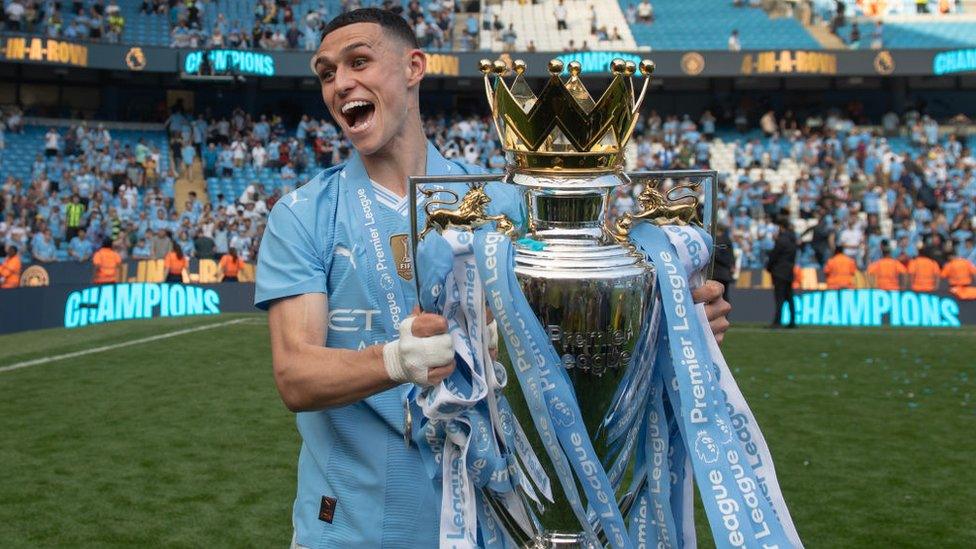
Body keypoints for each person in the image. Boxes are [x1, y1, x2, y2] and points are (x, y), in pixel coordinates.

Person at [255, 9, 732, 548]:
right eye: (326, 73)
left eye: (358, 61)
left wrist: (665, 328)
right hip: (352, 531)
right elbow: (296, 373)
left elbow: (568, 352)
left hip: (493, 526)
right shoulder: (303, 214)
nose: (341, 84)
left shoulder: (504, 206)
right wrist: (397, 360)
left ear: (414, 67)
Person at [765, 217, 797, 328]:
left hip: (779, 272)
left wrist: (768, 267)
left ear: (781, 227)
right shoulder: (793, 240)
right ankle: (792, 321)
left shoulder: (781, 240)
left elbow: (774, 256)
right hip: (789, 272)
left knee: (779, 298)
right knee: (789, 297)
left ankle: (777, 322)